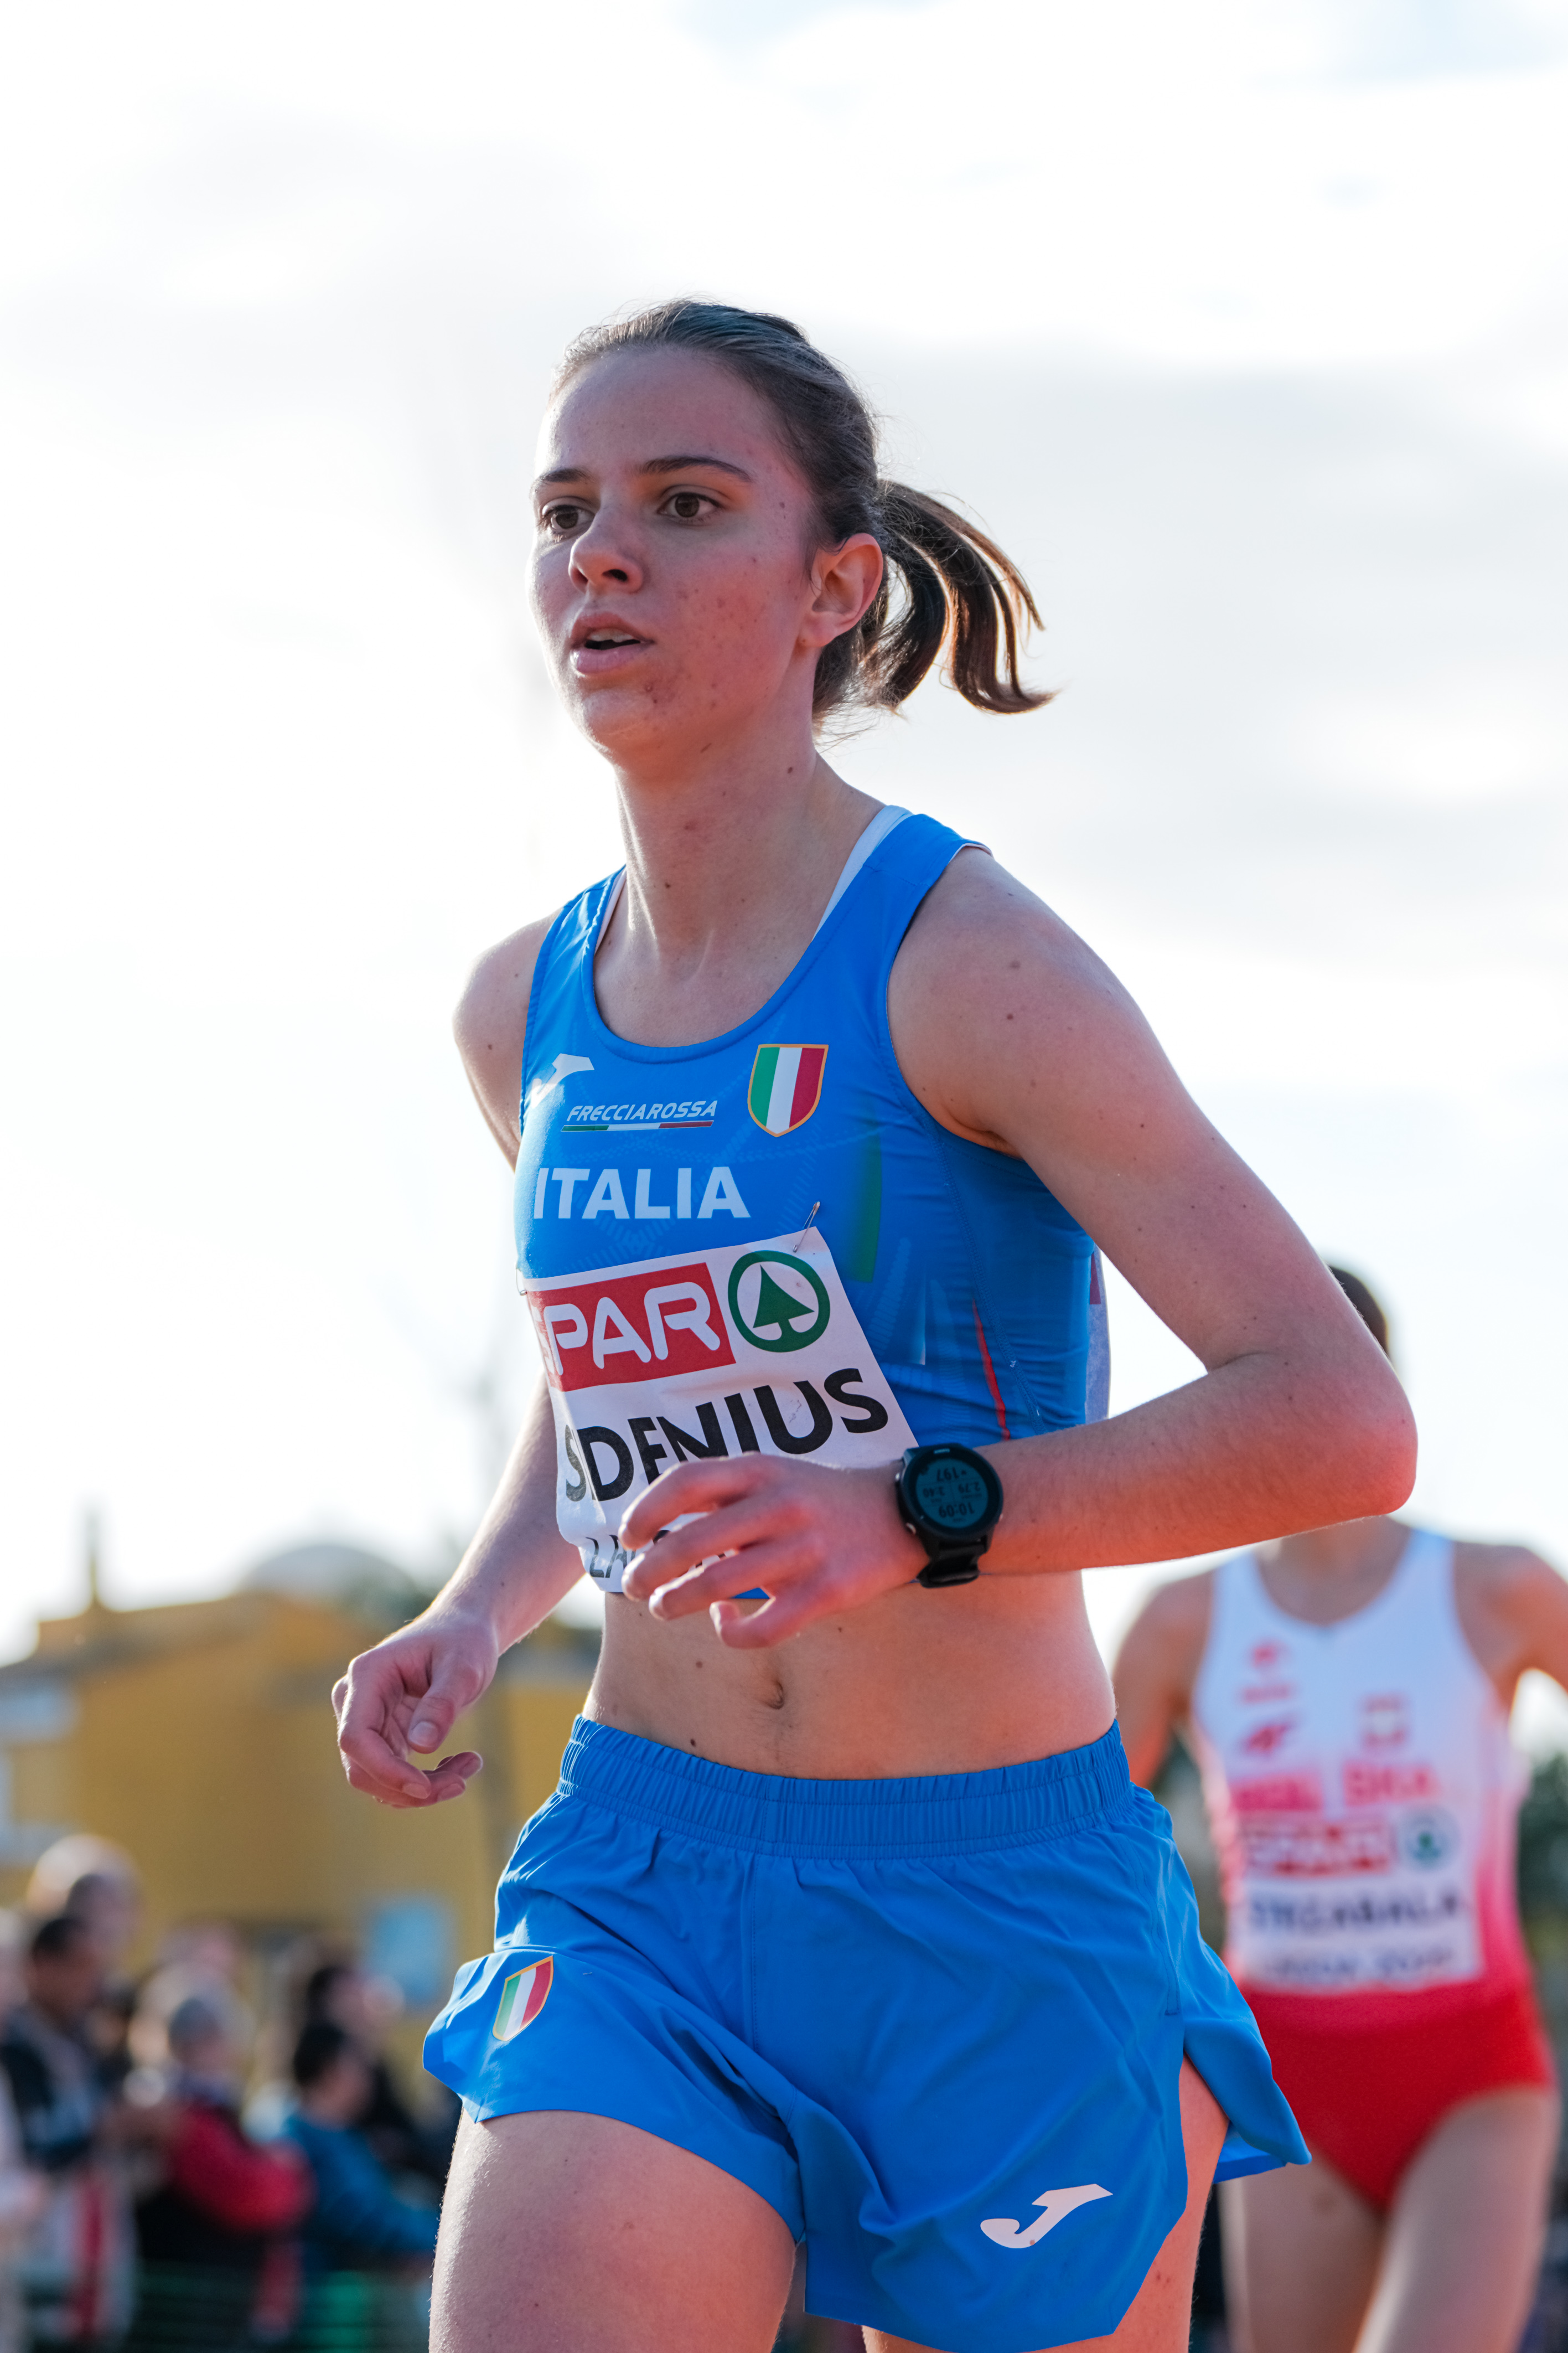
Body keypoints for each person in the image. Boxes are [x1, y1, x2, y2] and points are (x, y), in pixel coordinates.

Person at [332, 299, 1415, 2353]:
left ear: (833, 586)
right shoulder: (521, 1012)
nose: (602, 555)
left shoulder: (969, 960)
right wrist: (474, 1610)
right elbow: (607, 1385)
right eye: (566, 512)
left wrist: (910, 1511)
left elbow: (1335, 1419)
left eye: (682, 504)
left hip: (988, 1906)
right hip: (647, 1882)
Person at [1114, 1267, 1566, 2353]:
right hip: (1284, 2075)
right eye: (1254, 1380)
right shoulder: (1182, 1618)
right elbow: (1085, 1838)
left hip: (1472, 2071)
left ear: (1376, 1388)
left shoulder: (1497, 1586)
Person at [129, 1989, 311, 2349]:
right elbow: (247, 2193)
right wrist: (286, 2173)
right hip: (184, 2311)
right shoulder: (171, 2113)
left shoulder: (212, 2108)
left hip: (220, 2306)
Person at [0, 1915, 137, 2345]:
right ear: (40, 1965)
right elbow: (31, 2157)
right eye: (79, 1966)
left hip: (98, 2278)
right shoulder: (14, 2051)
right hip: (35, 2272)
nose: (90, 1983)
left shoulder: (90, 2046)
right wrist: (102, 2130)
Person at [283, 2026, 437, 2275]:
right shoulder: (303, 2142)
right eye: (357, 2066)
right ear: (330, 2071)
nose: (368, 2077)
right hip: (327, 2289)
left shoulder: (339, 2134)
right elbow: (364, 2221)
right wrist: (443, 2236)